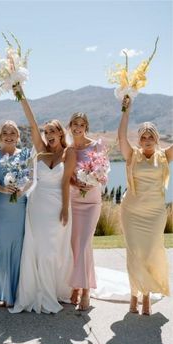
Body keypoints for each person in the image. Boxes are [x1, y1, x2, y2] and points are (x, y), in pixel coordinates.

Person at [8, 84, 76, 314]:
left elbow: (66, 182)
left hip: (57, 204)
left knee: (52, 249)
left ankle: (53, 290)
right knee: (37, 247)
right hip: (37, 204)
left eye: (52, 132)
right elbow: (31, 120)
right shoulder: (40, 147)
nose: (48, 136)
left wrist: (65, 209)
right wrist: (21, 95)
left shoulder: (68, 153)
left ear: (60, 133)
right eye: (46, 132)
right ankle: (37, 291)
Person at [119, 96, 172, 315]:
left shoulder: (164, 156)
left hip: (155, 213)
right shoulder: (132, 155)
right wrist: (126, 111)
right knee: (134, 253)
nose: (147, 139)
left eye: (151, 136)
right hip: (132, 211)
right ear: (139, 140)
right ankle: (134, 294)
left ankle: (147, 294)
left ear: (157, 139)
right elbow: (121, 136)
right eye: (143, 136)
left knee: (151, 252)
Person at [0, 120, 29, 308]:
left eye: (13, 133)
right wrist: (4, 190)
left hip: (19, 206)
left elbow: (30, 179)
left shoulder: (25, 154)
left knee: (18, 248)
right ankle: (1, 293)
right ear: (0, 136)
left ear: (18, 136)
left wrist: (21, 190)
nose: (9, 136)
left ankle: (16, 292)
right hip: (0, 206)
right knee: (1, 248)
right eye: (5, 132)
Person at [68, 112, 108, 310]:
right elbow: (64, 176)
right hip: (73, 201)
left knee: (84, 244)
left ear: (86, 126)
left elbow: (104, 172)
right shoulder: (68, 149)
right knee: (76, 246)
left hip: (92, 202)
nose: (78, 127)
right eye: (75, 124)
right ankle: (77, 285)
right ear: (70, 126)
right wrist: (76, 181)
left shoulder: (96, 145)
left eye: (82, 124)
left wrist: (93, 181)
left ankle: (85, 290)